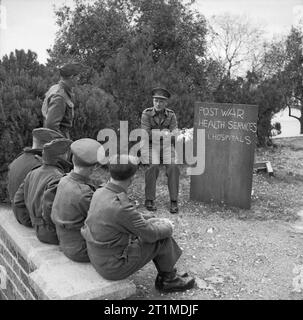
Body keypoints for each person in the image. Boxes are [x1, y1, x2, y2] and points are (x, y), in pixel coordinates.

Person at [81, 154, 195, 293]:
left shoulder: (100, 191)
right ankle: (168, 280)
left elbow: (125, 218)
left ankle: (168, 276)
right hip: (113, 267)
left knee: (154, 229)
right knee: (161, 238)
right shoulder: (121, 207)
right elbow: (150, 235)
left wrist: (149, 219)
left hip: (98, 257)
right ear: (132, 178)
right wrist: (168, 226)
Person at [51, 138, 105, 262]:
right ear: (93, 168)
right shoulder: (84, 193)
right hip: (81, 250)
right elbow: (105, 219)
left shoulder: (64, 180)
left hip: (65, 243)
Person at [13, 138, 72, 244]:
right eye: (68, 153)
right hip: (50, 233)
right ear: (63, 157)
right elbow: (49, 210)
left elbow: (18, 201)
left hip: (38, 228)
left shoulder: (32, 173)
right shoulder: (58, 178)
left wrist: (33, 222)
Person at [7, 128, 64, 224]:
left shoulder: (19, 158)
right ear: (50, 146)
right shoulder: (42, 166)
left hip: (18, 211)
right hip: (31, 218)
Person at [141, 87, 180, 213]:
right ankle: (149, 199)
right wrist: (164, 134)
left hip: (167, 146)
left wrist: (170, 135)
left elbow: (175, 132)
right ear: (153, 101)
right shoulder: (146, 114)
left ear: (166, 103)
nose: (158, 104)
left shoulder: (171, 114)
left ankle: (174, 200)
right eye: (156, 101)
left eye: (161, 101)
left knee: (173, 166)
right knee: (153, 165)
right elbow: (146, 134)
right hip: (151, 145)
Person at [41, 62, 83, 138]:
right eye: (78, 76)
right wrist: (63, 143)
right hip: (57, 143)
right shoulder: (60, 97)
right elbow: (51, 126)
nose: (79, 79)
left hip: (54, 140)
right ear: (72, 77)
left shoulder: (55, 88)